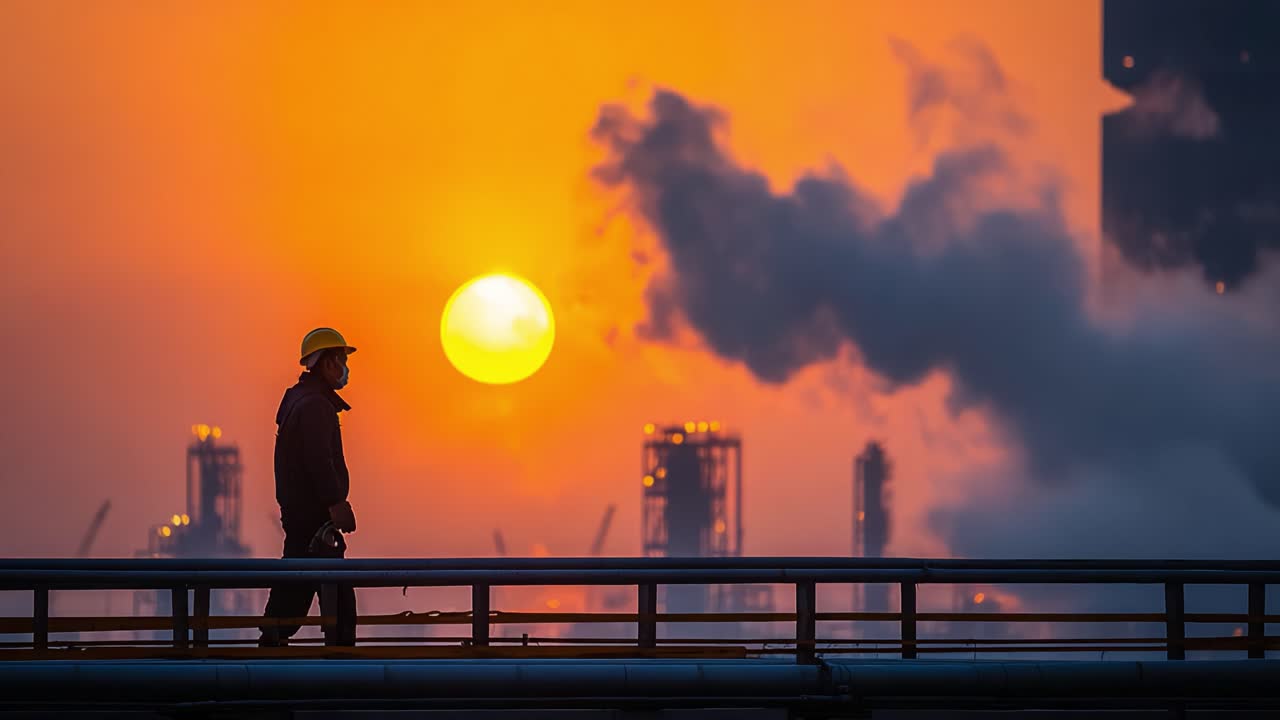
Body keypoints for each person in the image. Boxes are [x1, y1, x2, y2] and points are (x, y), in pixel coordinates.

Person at [259, 328, 359, 647]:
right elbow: (318, 460)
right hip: (315, 519)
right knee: (337, 596)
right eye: (341, 359)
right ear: (328, 363)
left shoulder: (301, 400)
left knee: (296, 583)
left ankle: (273, 642)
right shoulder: (316, 405)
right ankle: (343, 664)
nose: (345, 367)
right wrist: (335, 504)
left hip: (303, 515)